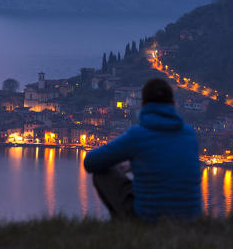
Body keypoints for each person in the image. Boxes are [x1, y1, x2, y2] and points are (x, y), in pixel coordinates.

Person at [83, 78, 201, 221]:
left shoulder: (138, 135)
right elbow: (167, 161)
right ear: (174, 105)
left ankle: (123, 226)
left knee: (102, 173)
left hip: (150, 219)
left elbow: (90, 162)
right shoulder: (190, 134)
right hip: (190, 220)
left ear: (143, 106)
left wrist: (125, 164)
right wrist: (134, 164)